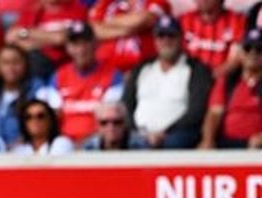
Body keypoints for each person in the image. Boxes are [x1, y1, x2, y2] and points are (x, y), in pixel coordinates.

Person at [122, 14, 213, 148]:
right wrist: (138, 132)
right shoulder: (142, 68)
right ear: (155, 40)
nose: (166, 40)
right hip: (139, 134)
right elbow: (126, 104)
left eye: (171, 35)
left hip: (177, 134)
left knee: (175, 142)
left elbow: (196, 111)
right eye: (161, 36)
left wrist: (164, 133)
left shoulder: (196, 69)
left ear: (181, 38)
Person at [42, 22, 124, 141]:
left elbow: (110, 120)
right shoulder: (58, 77)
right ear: (68, 47)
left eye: (86, 43)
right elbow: (54, 116)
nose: (81, 49)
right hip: (65, 141)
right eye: (75, 44)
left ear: (95, 44)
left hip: (98, 141)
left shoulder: (113, 75)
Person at [199, 27, 262, 148]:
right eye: (248, 49)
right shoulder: (228, 81)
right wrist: (208, 140)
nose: (253, 54)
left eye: (259, 49)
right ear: (240, 53)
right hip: (227, 144)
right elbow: (214, 114)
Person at [5, 0, 88, 78]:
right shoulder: (33, 11)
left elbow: (61, 38)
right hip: (36, 62)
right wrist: (50, 39)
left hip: (65, 63)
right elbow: (10, 37)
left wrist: (26, 33)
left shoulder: (76, 9)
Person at [0, 44, 48, 145]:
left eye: (16, 62)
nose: (11, 67)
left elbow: (44, 123)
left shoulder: (36, 88)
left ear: (25, 64)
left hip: (24, 148)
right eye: (6, 63)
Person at [88, 0, 169, 72]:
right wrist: (130, 30)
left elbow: (144, 19)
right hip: (109, 74)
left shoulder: (155, 1)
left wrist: (106, 21)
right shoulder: (107, 3)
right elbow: (92, 31)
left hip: (146, 70)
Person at [178, 0, 245, 77]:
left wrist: (209, 78)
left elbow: (234, 61)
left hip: (222, 81)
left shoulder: (237, 21)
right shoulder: (183, 20)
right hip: (186, 78)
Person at [82, 100, 150, 147]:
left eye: (117, 122)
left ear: (125, 124)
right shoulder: (89, 148)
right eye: (104, 123)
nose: (111, 127)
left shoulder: (140, 146)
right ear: (97, 125)